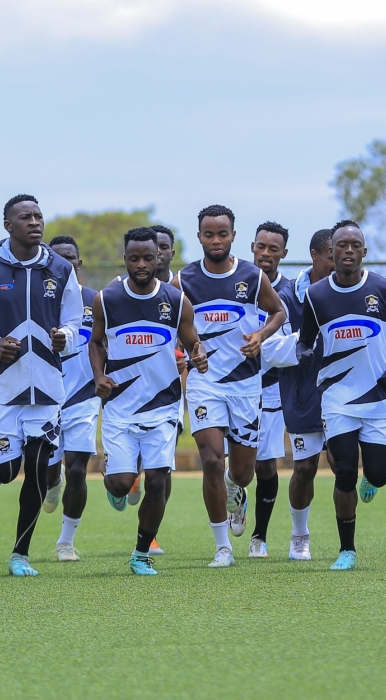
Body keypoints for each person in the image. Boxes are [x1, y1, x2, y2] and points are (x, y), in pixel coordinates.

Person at [297, 220, 386, 571]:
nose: (348, 250)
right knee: (344, 472)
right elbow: (305, 339)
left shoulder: (383, 288)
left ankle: (374, 477)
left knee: (379, 474)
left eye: (355, 244)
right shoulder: (316, 295)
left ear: (364, 251)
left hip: (379, 397)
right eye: (342, 245)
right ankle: (347, 550)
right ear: (331, 251)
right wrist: (304, 353)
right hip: (337, 398)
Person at [0, 194, 82, 577]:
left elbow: (74, 321)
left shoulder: (61, 268)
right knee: (7, 473)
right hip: (2, 388)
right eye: (25, 217)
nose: (35, 222)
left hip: (48, 388)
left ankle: (21, 553)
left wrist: (64, 338)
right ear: (8, 225)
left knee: (37, 467)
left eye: (38, 215)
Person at [90, 227, 208, 575]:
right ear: (125, 259)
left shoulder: (176, 300)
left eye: (147, 257)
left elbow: (192, 342)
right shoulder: (107, 299)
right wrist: (99, 376)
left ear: (160, 257)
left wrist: (198, 356)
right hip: (120, 407)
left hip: (164, 406)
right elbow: (96, 343)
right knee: (121, 483)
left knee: (157, 479)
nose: (141, 264)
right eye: (133, 258)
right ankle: (111, 474)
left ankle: (141, 553)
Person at [174, 205, 285, 568]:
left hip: (245, 385)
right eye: (209, 234)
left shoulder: (252, 276)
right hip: (204, 383)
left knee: (242, 472)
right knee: (209, 459)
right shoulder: (184, 280)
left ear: (234, 236)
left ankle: (236, 488)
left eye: (222, 233)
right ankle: (223, 547)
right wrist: (192, 348)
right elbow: (173, 321)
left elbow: (278, 311)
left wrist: (261, 335)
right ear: (199, 236)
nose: (216, 240)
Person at [262, 228, 334, 560]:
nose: (340, 261)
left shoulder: (355, 290)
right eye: (332, 255)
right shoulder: (288, 298)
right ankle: (299, 536)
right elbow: (268, 350)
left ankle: (346, 545)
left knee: (343, 464)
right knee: (304, 468)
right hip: (302, 391)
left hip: (340, 391)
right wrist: (304, 345)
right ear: (315, 256)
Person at [42, 234, 98, 563]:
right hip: (47, 399)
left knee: (78, 469)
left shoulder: (97, 302)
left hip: (85, 398)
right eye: (58, 257)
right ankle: (52, 481)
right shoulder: (39, 302)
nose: (66, 263)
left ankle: (66, 541)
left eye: (71, 257)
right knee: (49, 475)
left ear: (79, 263)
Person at [247, 221, 292, 558]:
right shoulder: (236, 282)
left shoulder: (292, 293)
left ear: (283, 254)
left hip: (273, 389)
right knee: (234, 466)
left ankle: (259, 536)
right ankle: (235, 494)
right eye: (261, 247)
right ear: (252, 247)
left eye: (273, 249)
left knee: (266, 466)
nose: (266, 254)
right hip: (233, 387)